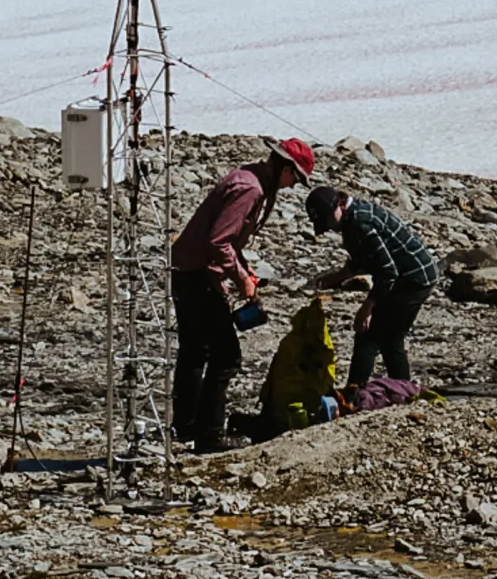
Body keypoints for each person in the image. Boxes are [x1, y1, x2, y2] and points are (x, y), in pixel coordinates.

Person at [171, 137, 314, 453]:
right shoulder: (251, 189)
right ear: (285, 168)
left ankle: (185, 426)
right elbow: (220, 243)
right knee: (226, 357)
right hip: (199, 276)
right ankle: (210, 435)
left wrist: (243, 270)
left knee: (194, 353)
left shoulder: (247, 177)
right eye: (295, 178)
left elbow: (227, 244)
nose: (292, 186)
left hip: (186, 270)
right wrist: (242, 280)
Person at [305, 186, 437, 388]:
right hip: (412, 275)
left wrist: (367, 307)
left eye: (330, 221)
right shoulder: (352, 219)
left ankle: (354, 392)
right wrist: (340, 275)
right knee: (391, 338)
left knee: (370, 337)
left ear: (339, 204)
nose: (331, 227)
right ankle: (402, 389)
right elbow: (366, 257)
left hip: (414, 278)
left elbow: (387, 272)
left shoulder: (361, 223)